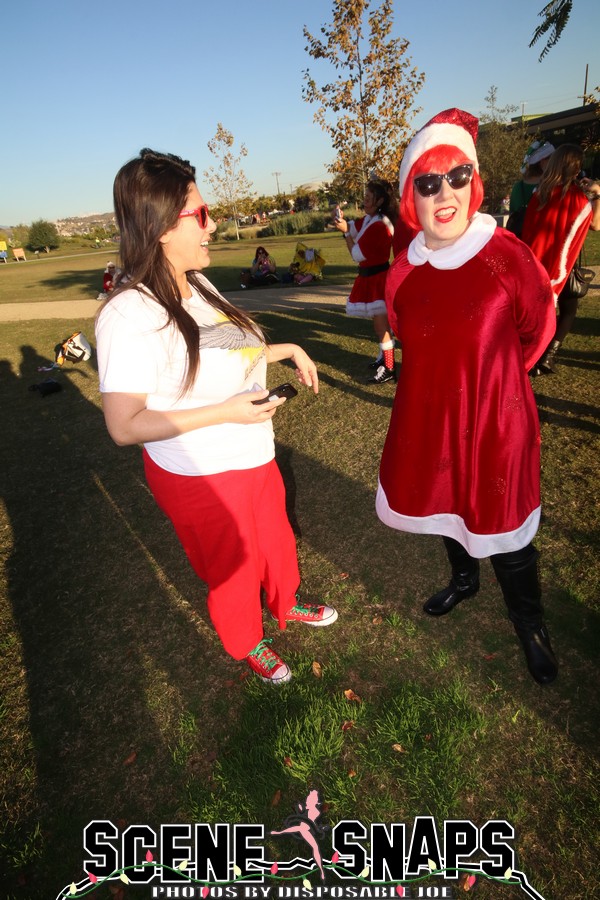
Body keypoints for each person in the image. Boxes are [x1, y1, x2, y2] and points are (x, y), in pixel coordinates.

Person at [95, 149, 338, 685]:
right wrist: (226, 412)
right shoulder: (128, 315)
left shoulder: (198, 283)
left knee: (275, 539)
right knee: (233, 565)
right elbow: (123, 425)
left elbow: (226, 348)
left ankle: (285, 602)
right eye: (201, 215)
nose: (213, 224)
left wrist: (285, 350)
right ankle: (247, 640)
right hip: (199, 474)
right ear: (162, 227)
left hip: (253, 452)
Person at [377, 109, 558, 685]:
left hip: (498, 419)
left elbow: (539, 326)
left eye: (457, 176)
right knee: (446, 506)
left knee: (505, 526)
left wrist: (496, 380)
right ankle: (464, 580)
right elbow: (408, 332)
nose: (445, 193)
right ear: (412, 198)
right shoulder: (403, 272)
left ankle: (530, 625)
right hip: (431, 417)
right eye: (428, 183)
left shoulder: (507, 254)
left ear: (474, 181)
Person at [521, 143, 600, 374]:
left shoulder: (541, 193)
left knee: (537, 314)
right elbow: (596, 223)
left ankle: (539, 356)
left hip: (533, 262)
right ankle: (543, 357)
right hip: (560, 266)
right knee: (565, 310)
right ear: (576, 168)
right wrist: (597, 193)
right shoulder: (577, 200)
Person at [335, 180, 398, 384]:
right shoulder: (372, 219)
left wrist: (345, 233)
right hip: (373, 277)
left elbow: (357, 254)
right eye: (365, 197)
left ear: (380, 201)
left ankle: (389, 367)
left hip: (377, 279)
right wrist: (343, 223)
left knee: (381, 327)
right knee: (381, 325)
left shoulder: (380, 225)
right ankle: (384, 359)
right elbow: (354, 227)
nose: (365, 202)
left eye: (369, 198)